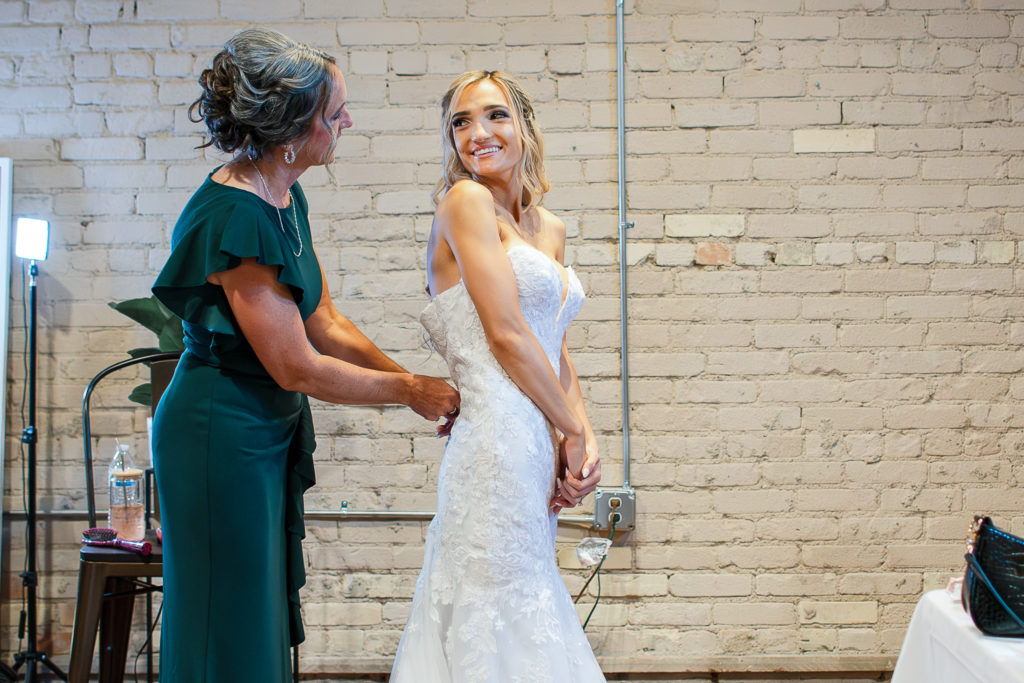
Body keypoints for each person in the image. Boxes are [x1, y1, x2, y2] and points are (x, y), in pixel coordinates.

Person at [150, 28, 460, 682]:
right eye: (334, 112)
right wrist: (408, 391)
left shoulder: (286, 197)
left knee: (254, 605)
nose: (347, 120)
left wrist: (406, 376)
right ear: (293, 131)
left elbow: (323, 319)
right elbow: (295, 364)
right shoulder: (236, 217)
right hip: (218, 435)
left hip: (263, 428)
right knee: (222, 612)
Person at [390, 71, 605, 681]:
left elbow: (553, 349)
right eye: (461, 122)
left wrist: (583, 441)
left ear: (525, 128)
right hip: (494, 440)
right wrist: (568, 432)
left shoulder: (551, 229)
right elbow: (506, 334)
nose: (477, 133)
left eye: (495, 115)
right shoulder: (465, 203)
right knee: (490, 603)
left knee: (531, 595)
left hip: (537, 437)